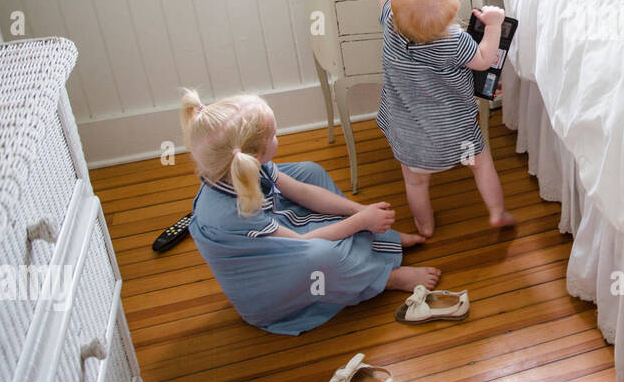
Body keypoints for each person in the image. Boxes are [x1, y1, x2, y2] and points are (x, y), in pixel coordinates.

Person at [181, 88, 440, 335]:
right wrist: (360, 221)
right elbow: (302, 243)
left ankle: (378, 239)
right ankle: (385, 278)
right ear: (254, 155)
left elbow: (302, 191)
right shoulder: (232, 213)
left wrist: (358, 211)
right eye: (273, 136)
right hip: (266, 280)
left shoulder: (242, 166)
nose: (277, 139)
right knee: (322, 256)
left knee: (309, 172)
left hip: (271, 225)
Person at [375, 0, 515, 238]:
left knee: (415, 182)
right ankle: (496, 212)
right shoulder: (454, 41)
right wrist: (494, 25)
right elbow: (484, 59)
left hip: (411, 138)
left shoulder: (391, 23)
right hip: (457, 135)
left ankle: (425, 226)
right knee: (480, 164)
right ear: (452, 9)